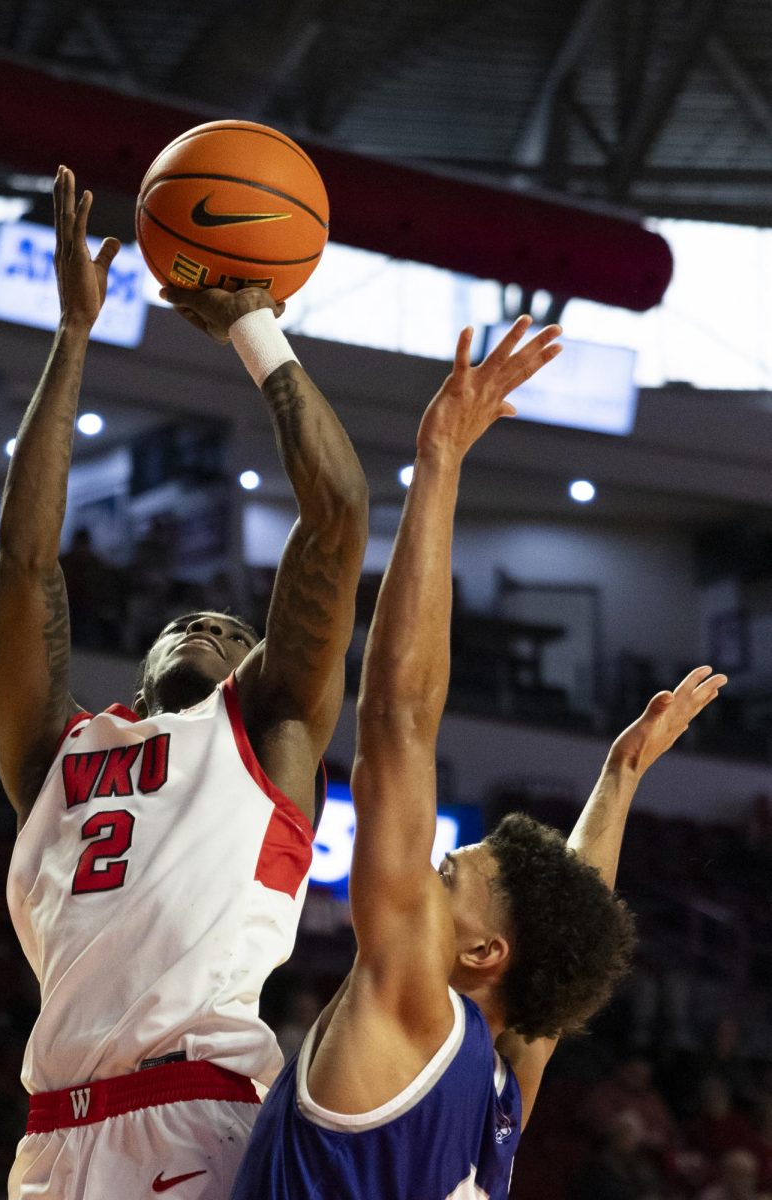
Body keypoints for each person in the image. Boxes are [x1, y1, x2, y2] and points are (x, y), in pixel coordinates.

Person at [230, 316, 727, 1200]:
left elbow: (398, 721)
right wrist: (617, 780)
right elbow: (571, 919)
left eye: (444, 876)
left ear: (485, 951)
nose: (422, 868)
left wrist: (441, 460)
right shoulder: (502, 1099)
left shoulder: (414, 1013)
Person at [0, 166, 368, 1199]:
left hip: (195, 1118)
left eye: (231, 627)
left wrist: (253, 330)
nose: (205, 620)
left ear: (256, 666)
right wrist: (75, 333)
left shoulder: (270, 728)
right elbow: (26, 563)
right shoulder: (54, 757)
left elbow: (336, 513)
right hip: (51, 1139)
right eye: (187, 618)